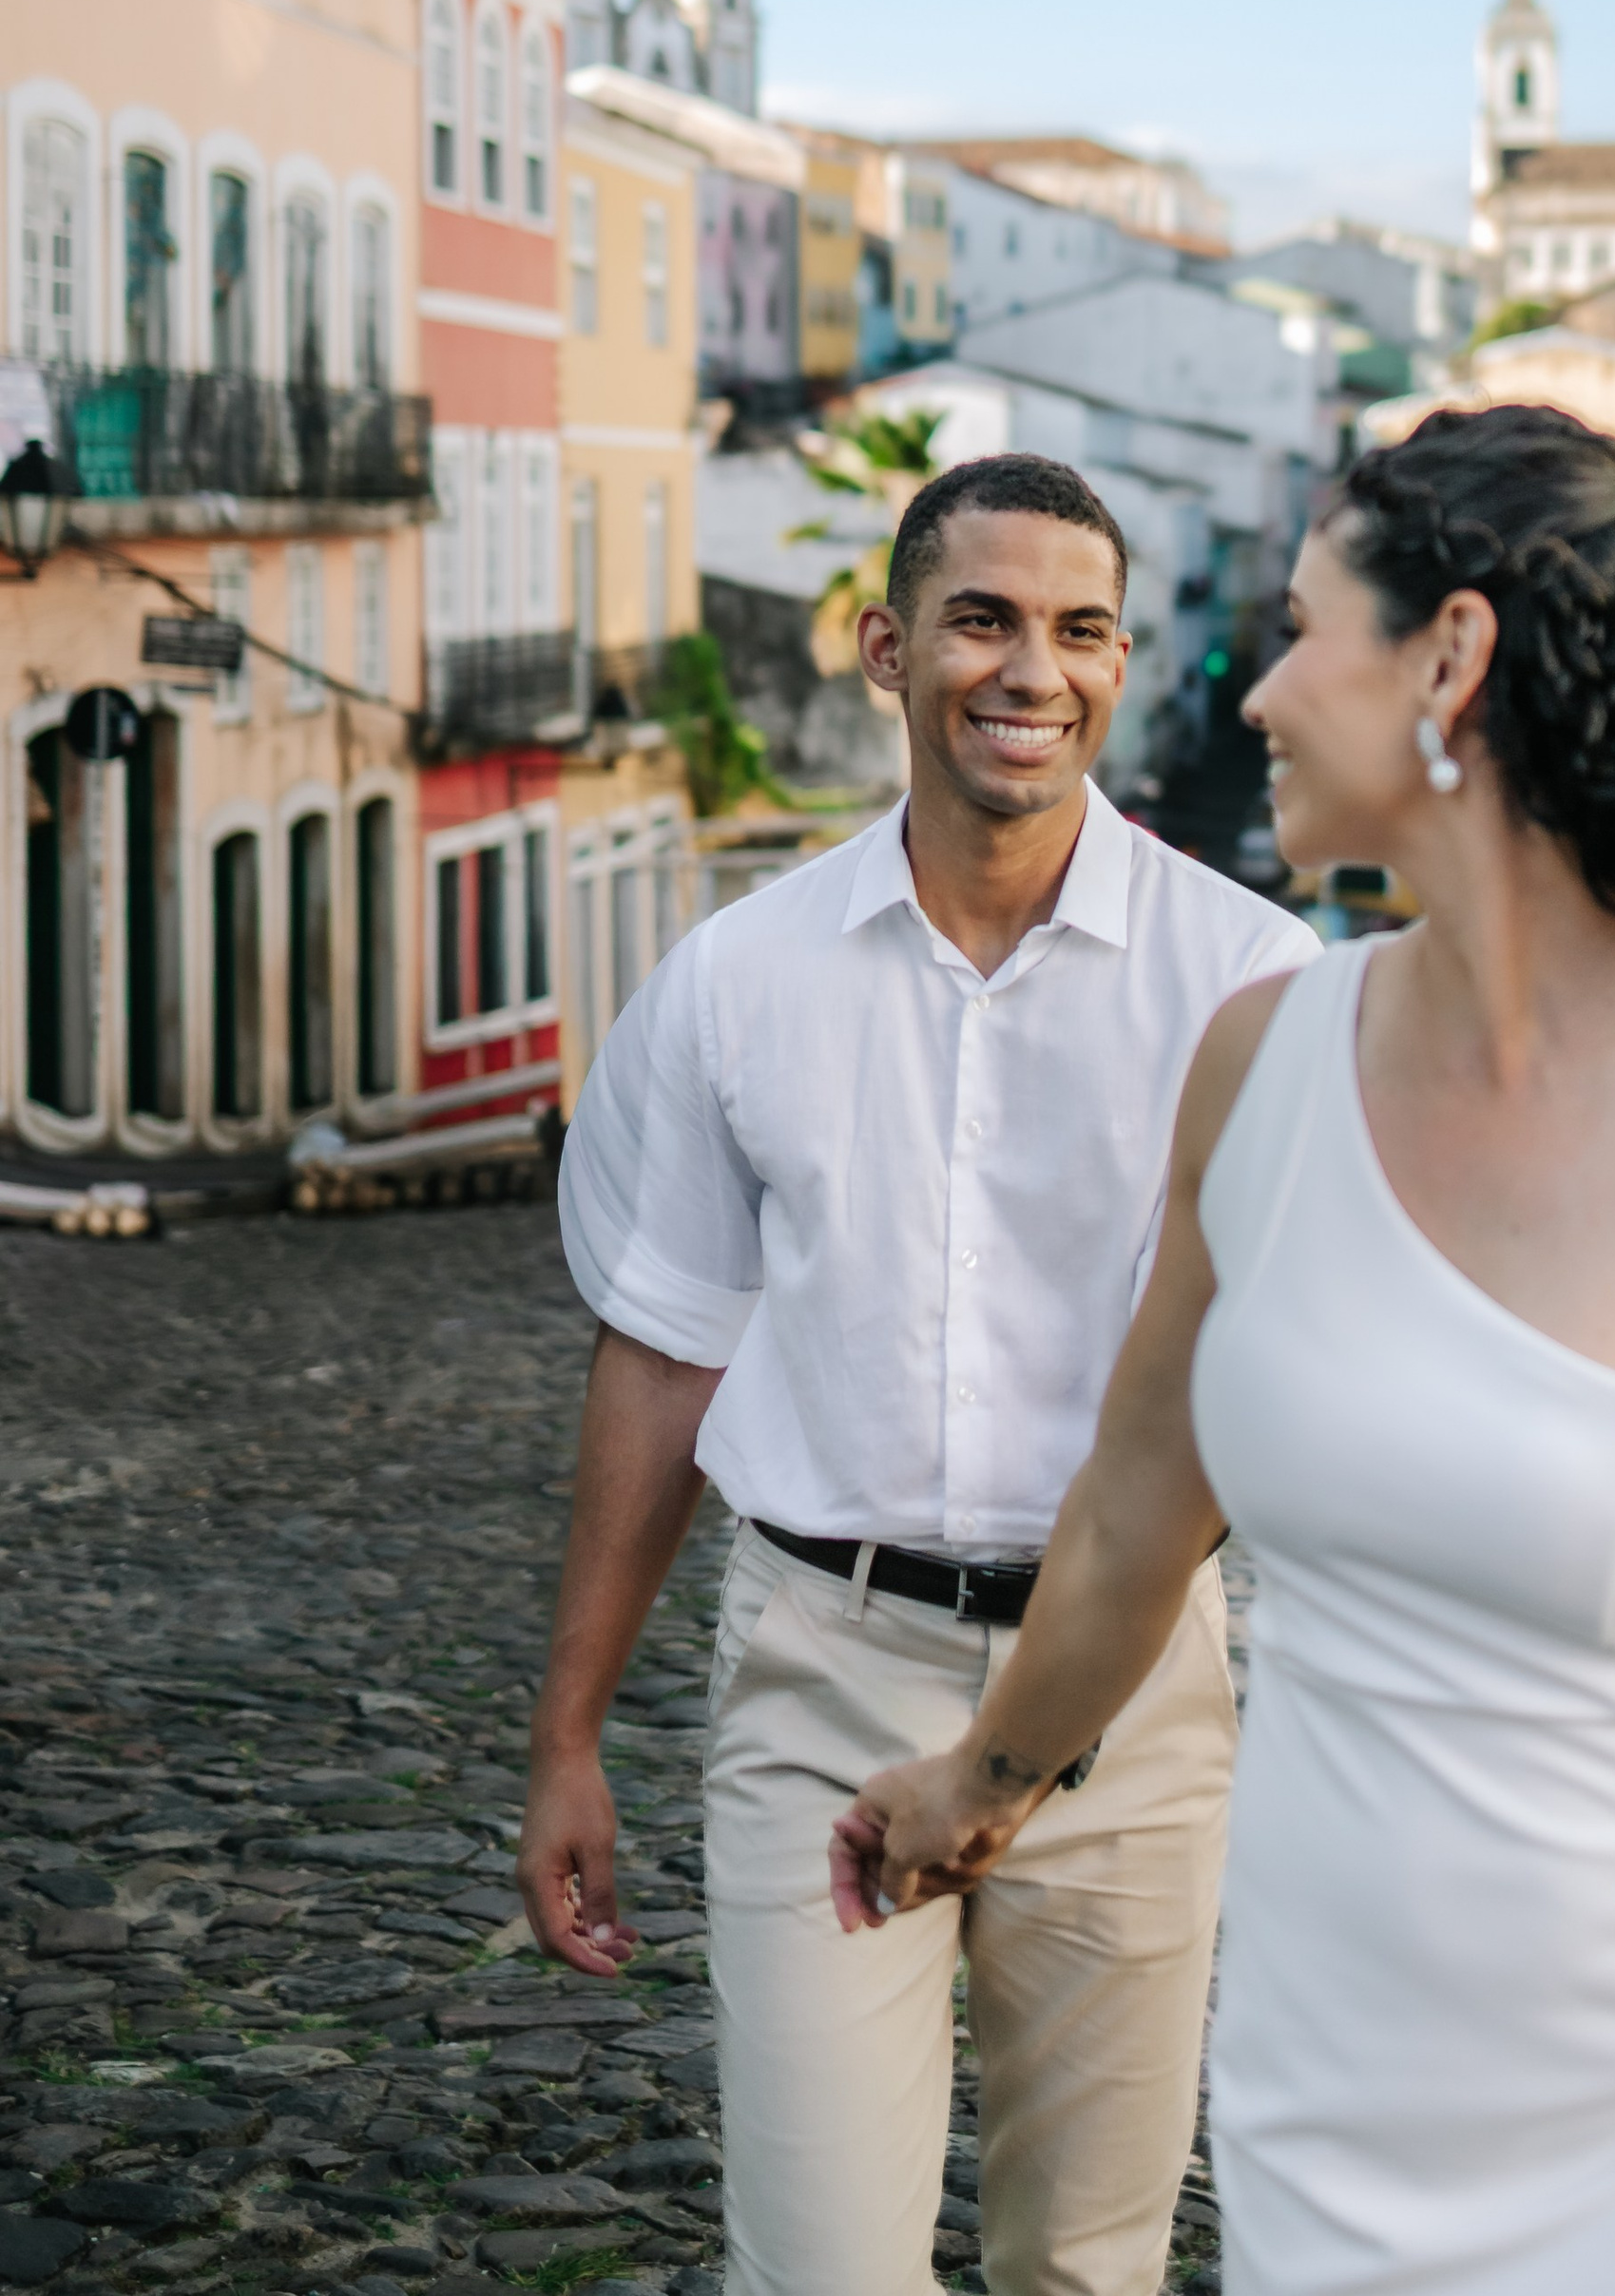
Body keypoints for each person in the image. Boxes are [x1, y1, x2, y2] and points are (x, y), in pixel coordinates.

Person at [835, 406, 1615, 2296]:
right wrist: (981, 1777)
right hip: (1334, 2123)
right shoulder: (1263, 1069)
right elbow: (1129, 1512)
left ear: (1447, 656)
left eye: (1301, 630)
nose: (1252, 693)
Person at [519, 452, 1318, 2296]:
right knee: (814, 2271)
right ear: (887, 648)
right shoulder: (734, 985)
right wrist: (568, 1735)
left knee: (1084, 2270)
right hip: (819, 1673)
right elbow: (660, 1365)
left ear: (1119, 665)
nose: (1030, 667)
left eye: (1078, 627)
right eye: (981, 618)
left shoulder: (1251, 985)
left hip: (1127, 1704)